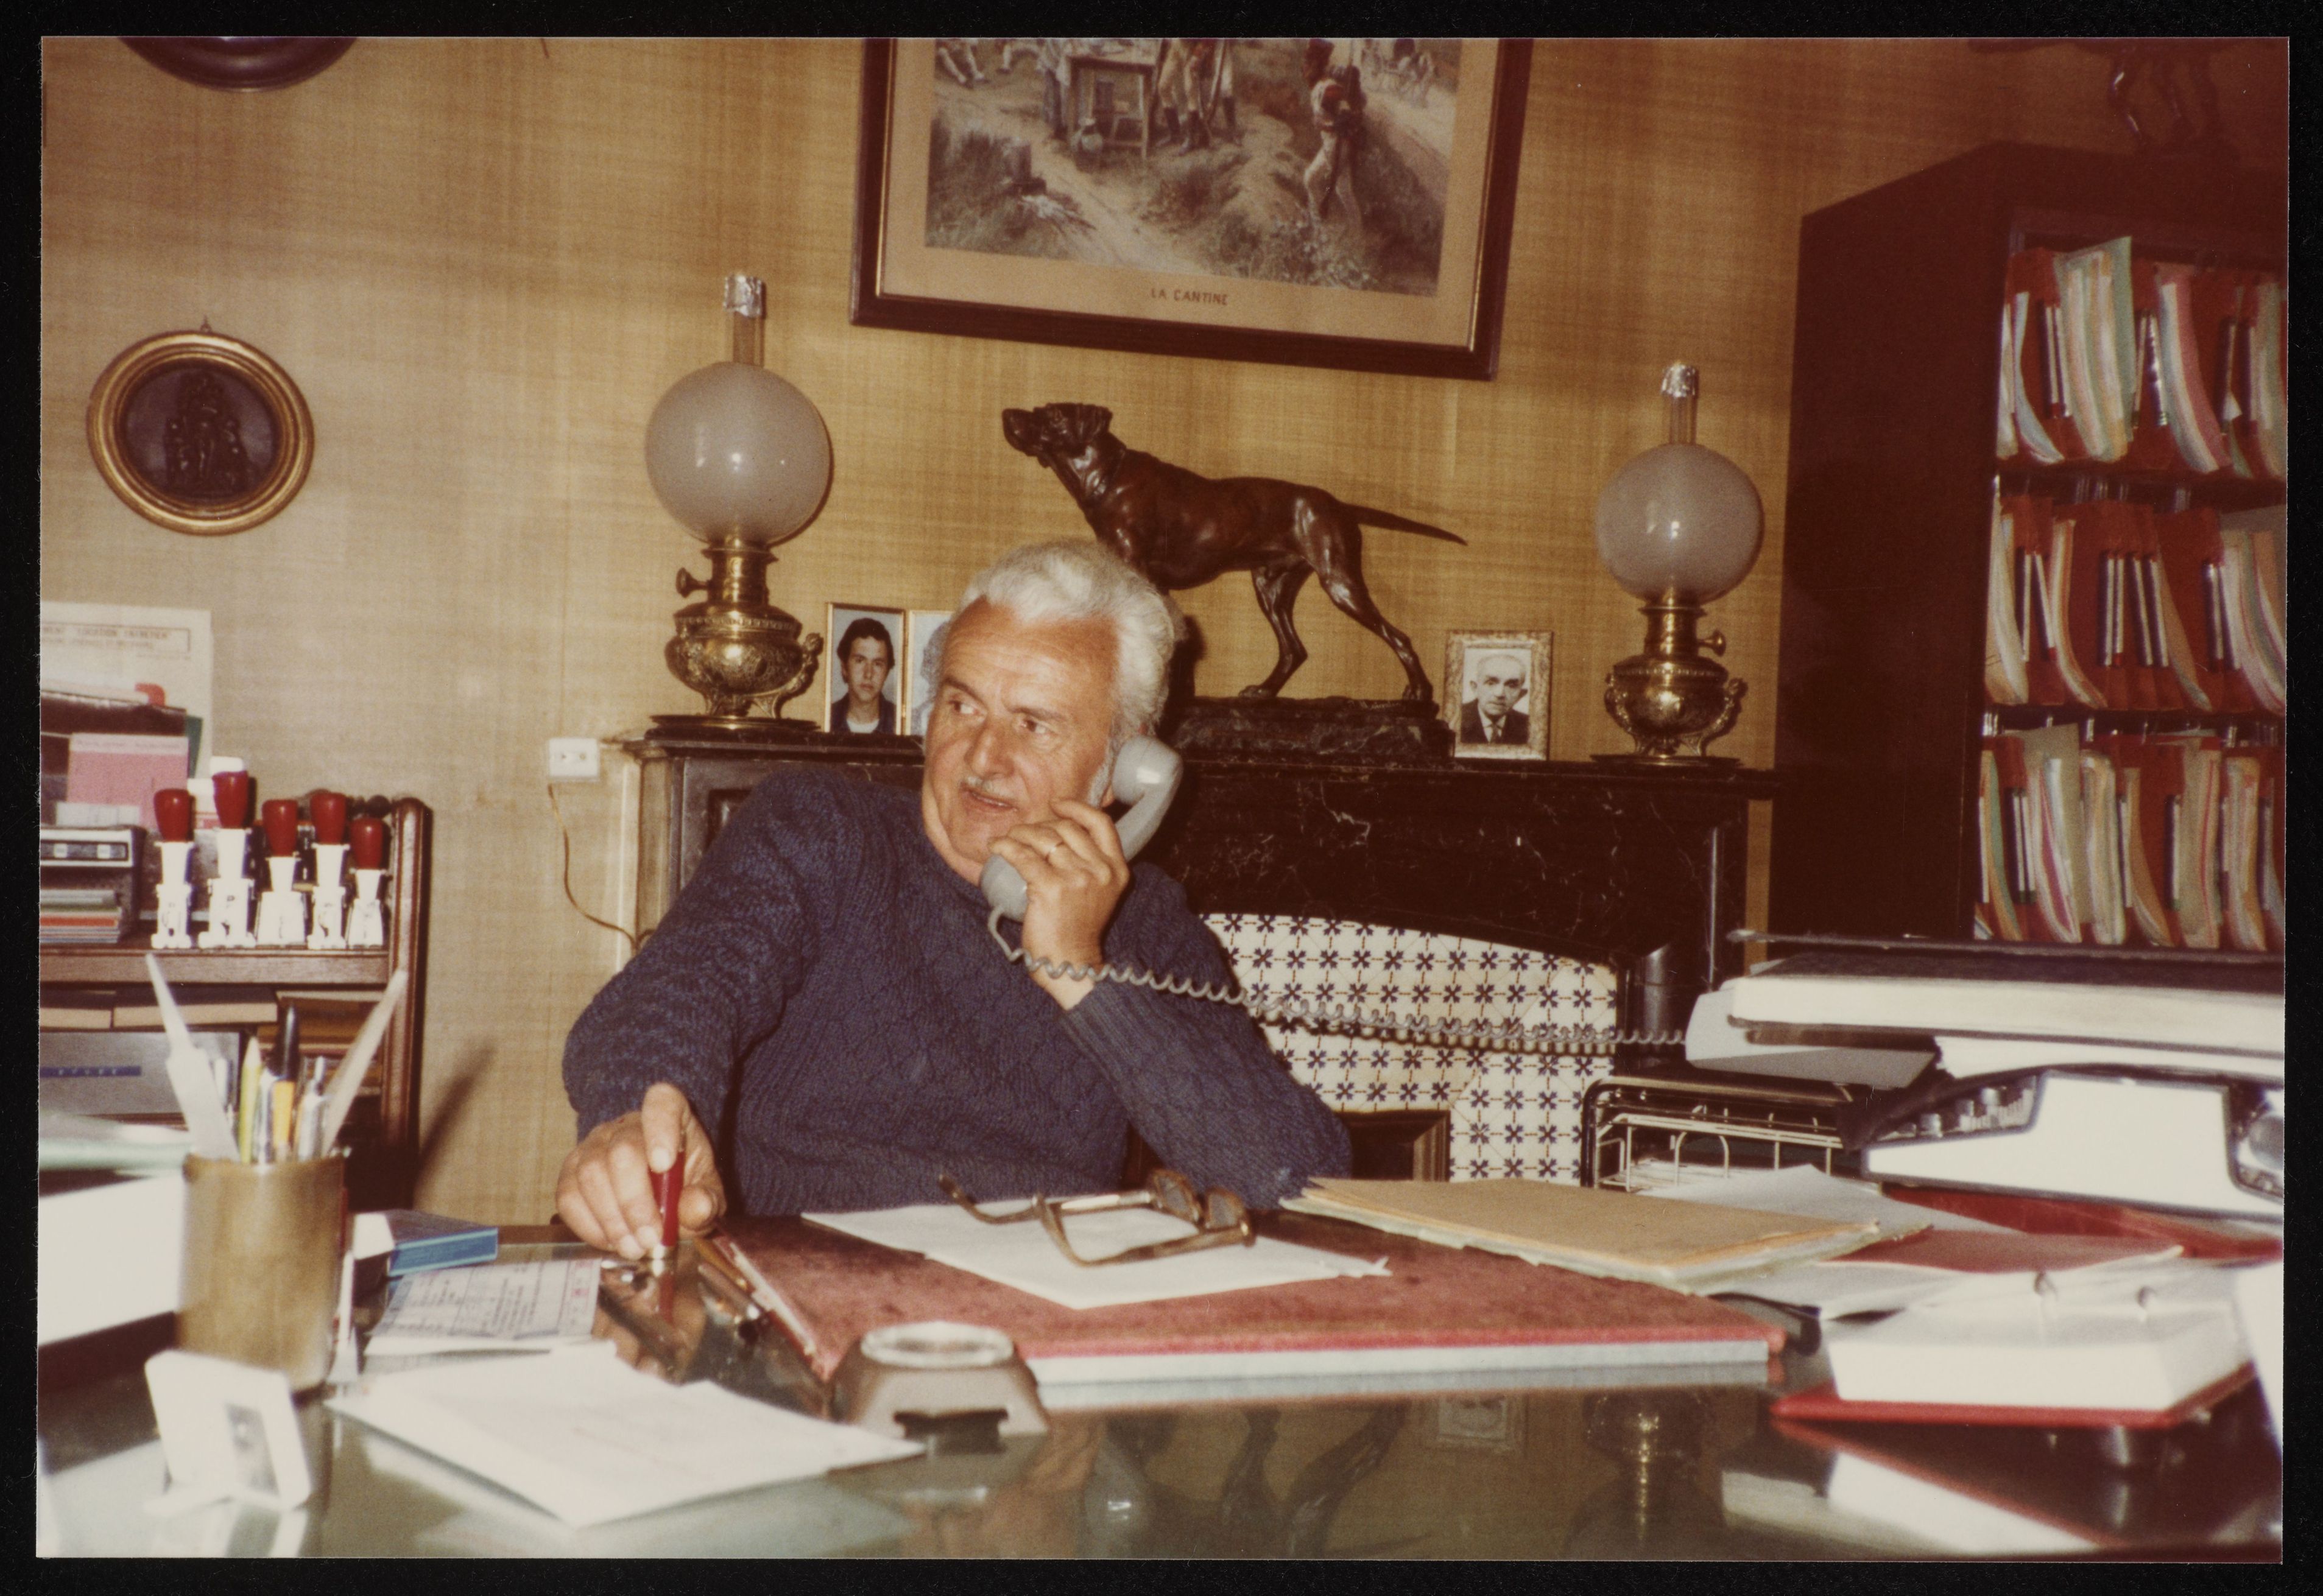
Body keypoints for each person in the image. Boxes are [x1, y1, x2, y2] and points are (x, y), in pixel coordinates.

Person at [559, 540, 1350, 1256]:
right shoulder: (818, 828)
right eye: (963, 705)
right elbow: (679, 988)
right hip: (804, 1278)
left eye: (1034, 724)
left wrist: (1079, 972)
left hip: (1041, 1308)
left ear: (1122, 770)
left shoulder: (1147, 923)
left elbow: (1293, 1177)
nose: (982, 757)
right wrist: (635, 1119)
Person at [829, 616, 898, 736]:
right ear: (844, 668)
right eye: (860, 661)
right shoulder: (826, 719)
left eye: (878, 664)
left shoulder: (901, 722)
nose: (869, 674)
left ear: (886, 673)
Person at [1459, 650, 1529, 745]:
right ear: (1475, 688)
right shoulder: (1455, 719)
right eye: (1491, 683)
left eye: (1511, 686)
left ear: (1521, 694)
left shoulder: (1531, 726)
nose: (1500, 694)